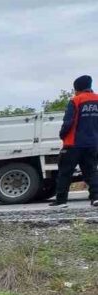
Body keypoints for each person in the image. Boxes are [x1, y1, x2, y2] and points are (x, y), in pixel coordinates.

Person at [50, 75, 98, 209]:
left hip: (73, 144)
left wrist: (62, 135)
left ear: (77, 88)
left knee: (65, 172)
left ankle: (61, 201)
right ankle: (96, 197)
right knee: (91, 172)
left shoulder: (76, 100)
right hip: (93, 144)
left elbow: (68, 122)